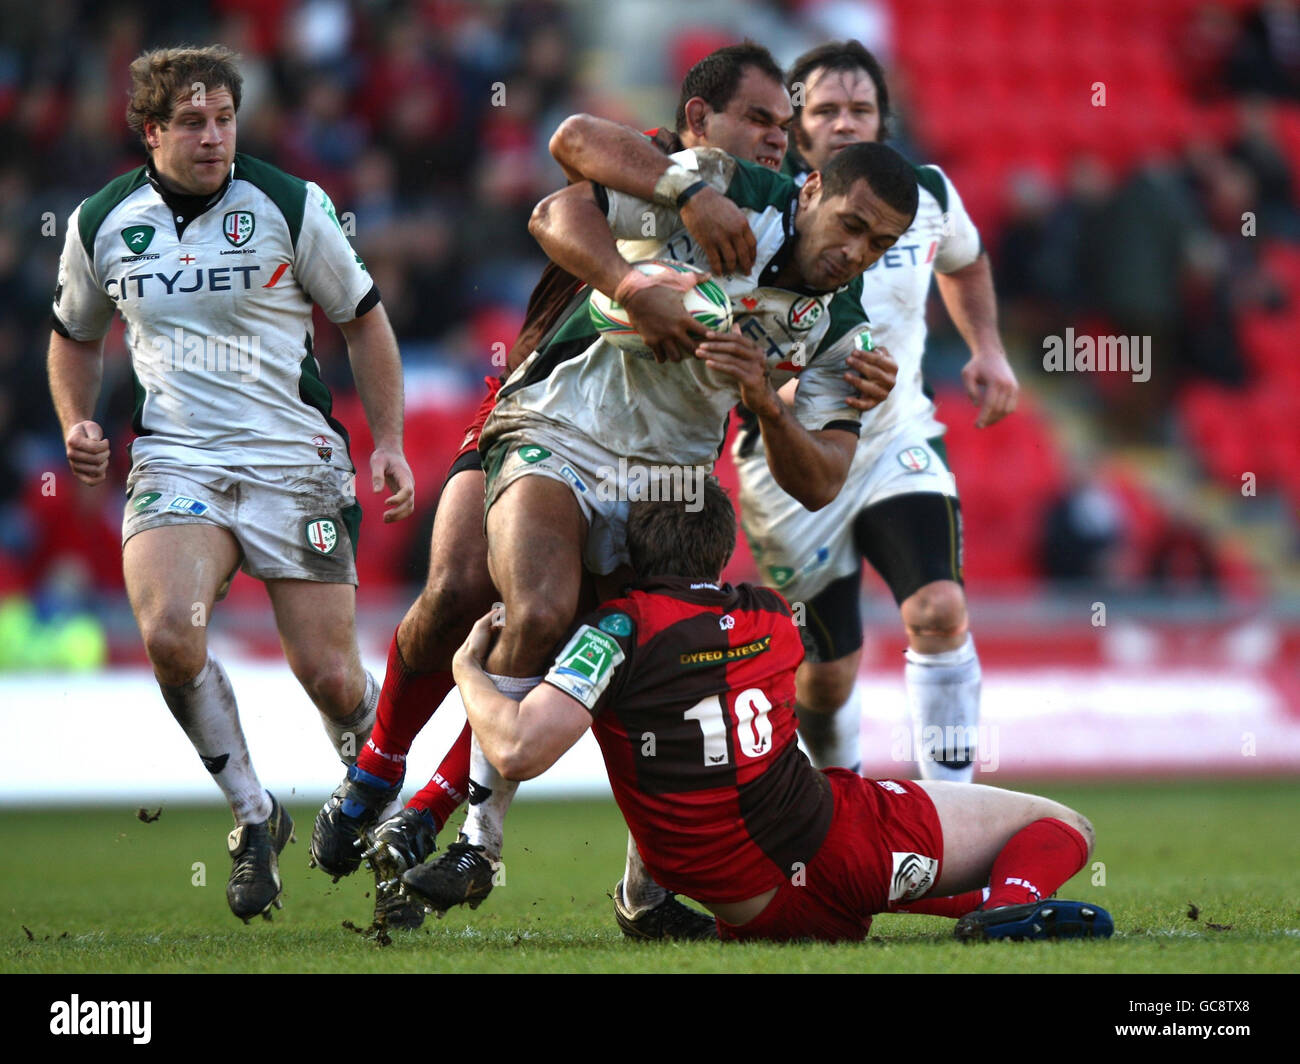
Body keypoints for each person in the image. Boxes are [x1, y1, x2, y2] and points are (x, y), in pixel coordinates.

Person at [313, 43, 892, 936]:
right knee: (481, 598)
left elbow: (819, 477)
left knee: (618, 652)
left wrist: (764, 406)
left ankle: (473, 827)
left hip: (664, 480)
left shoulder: (841, 326)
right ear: (705, 124)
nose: (777, 143)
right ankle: (389, 777)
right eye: (763, 124)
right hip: (548, 408)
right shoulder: (697, 180)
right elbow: (564, 168)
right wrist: (649, 257)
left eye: (878, 243)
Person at [414, 480, 1112, 943]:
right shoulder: (773, 616)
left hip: (751, 908)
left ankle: (996, 907)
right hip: (840, 849)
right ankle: (1008, 903)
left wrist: (465, 668)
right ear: (722, 549)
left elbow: (515, 750)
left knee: (678, 762)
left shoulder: (614, 631)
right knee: (1061, 824)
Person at [47, 45, 414, 923]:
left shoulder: (289, 203)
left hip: (295, 459)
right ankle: (255, 818)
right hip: (179, 458)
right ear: (151, 131)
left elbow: (364, 322)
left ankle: (385, 823)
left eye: (225, 119)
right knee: (172, 634)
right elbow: (72, 335)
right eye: (193, 123)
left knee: (330, 678)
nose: (214, 137)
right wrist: (77, 422)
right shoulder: (102, 219)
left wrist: (391, 441)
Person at [735, 41, 1019, 780]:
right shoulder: (767, 207)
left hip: (897, 438)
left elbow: (967, 260)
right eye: (826, 109)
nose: (845, 122)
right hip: (789, 457)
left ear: (883, 118)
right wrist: (792, 391)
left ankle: (949, 813)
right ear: (797, 123)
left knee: (938, 609)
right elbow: (725, 335)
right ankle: (842, 807)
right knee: (826, 679)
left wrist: (986, 348)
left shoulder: (927, 194)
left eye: (861, 108)